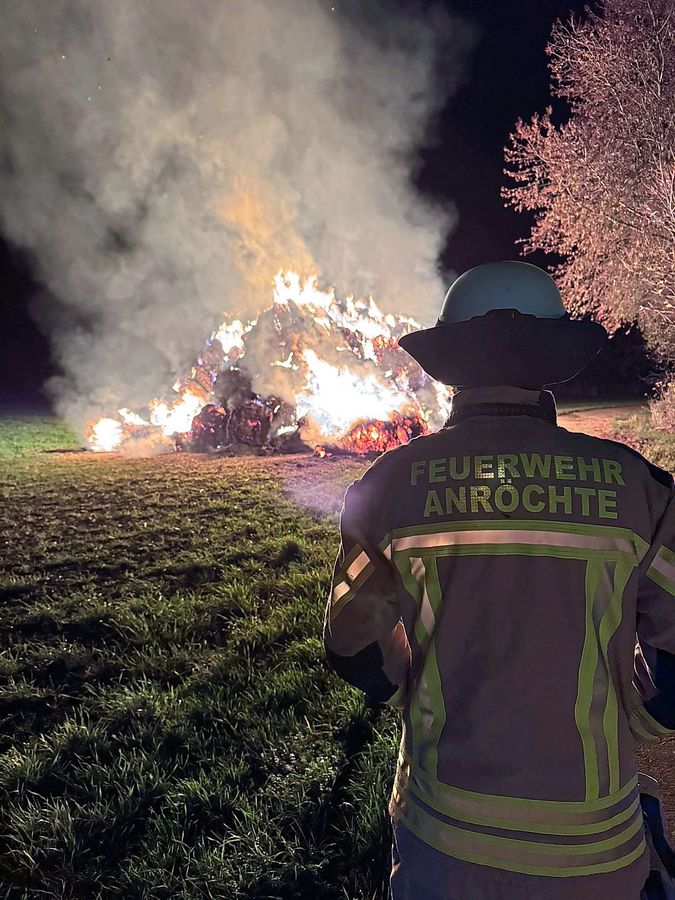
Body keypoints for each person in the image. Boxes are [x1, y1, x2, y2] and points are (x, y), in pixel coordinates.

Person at [323, 261, 675, 899]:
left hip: (442, 845)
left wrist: (413, 692)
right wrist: (636, 718)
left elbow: (353, 647)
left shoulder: (387, 485)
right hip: (596, 849)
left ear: (453, 369)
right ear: (552, 362)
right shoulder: (639, 487)